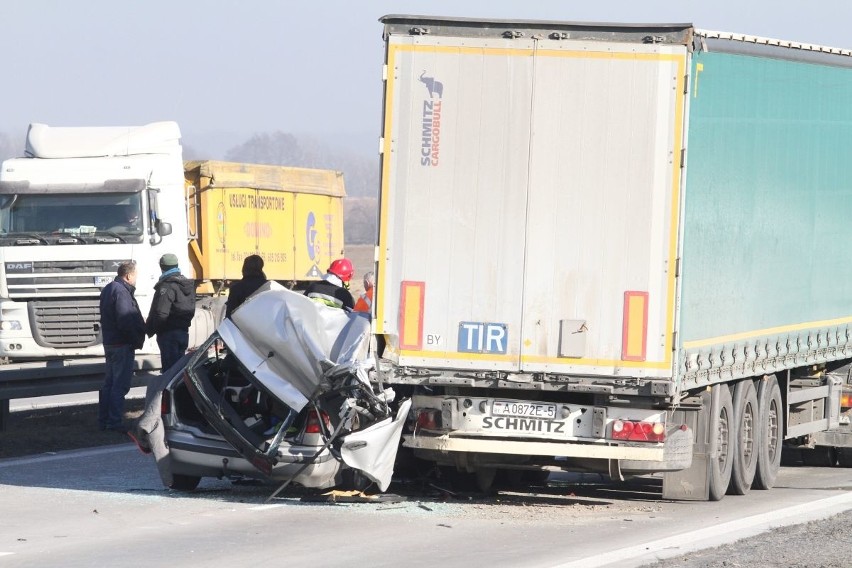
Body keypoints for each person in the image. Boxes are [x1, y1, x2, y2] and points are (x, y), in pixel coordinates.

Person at [98, 261, 146, 432]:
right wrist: (135, 340)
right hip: (121, 344)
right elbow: (126, 319)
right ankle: (114, 422)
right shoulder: (122, 292)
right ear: (129, 276)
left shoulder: (108, 289)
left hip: (110, 342)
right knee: (120, 385)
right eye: (135, 276)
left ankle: (104, 420)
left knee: (109, 384)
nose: (136, 279)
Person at [146, 253, 196, 373]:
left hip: (169, 334)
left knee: (170, 372)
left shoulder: (167, 286)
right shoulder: (187, 284)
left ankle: (169, 392)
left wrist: (152, 329)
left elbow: (161, 313)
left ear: (162, 267)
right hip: (183, 332)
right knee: (179, 370)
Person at [225, 254, 268, 319]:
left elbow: (229, 317)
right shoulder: (267, 287)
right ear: (261, 268)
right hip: (264, 327)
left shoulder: (236, 289)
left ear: (244, 269)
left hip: (242, 328)